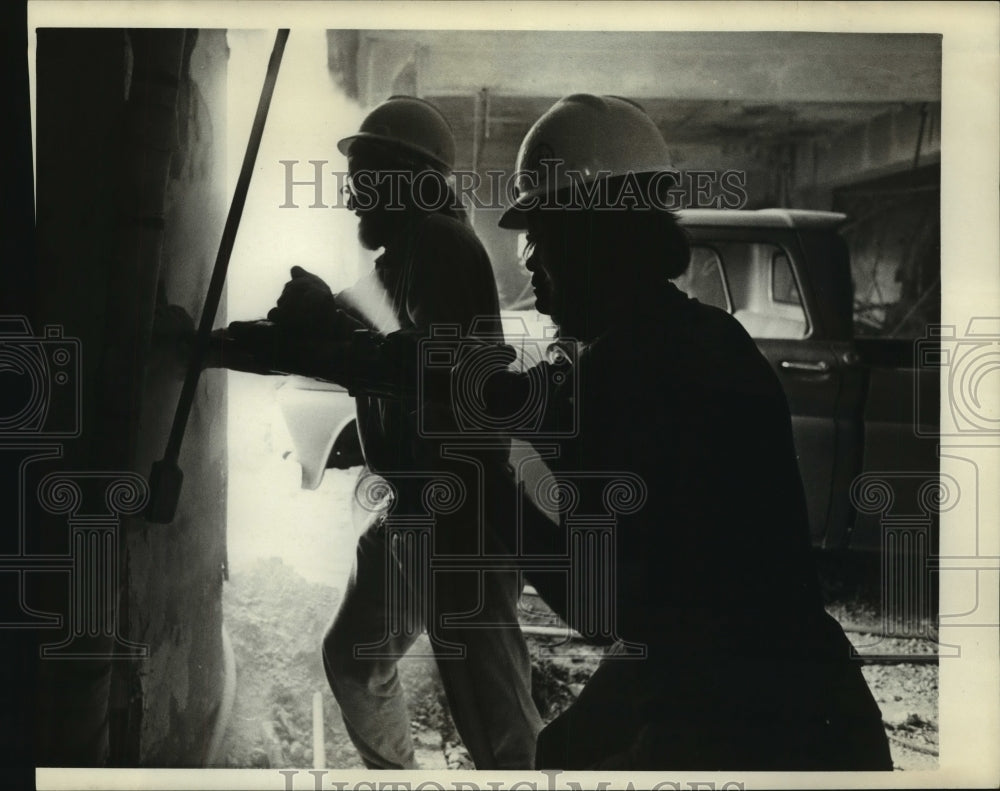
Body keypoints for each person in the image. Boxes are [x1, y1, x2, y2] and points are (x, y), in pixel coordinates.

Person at [479, 93, 894, 770]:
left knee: (572, 758)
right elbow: (550, 404)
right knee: (562, 749)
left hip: (755, 719)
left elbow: (598, 605)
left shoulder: (630, 368)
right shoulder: (695, 333)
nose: (527, 260)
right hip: (780, 675)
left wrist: (486, 480)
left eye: (542, 234)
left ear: (594, 240)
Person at [213, 96, 541, 769]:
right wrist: (271, 326)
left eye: (363, 178)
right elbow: (349, 333)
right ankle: (394, 775)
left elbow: (423, 361)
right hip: (419, 506)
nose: (350, 196)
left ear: (406, 177)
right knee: (357, 656)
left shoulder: (440, 245)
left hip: (463, 510)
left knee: (493, 715)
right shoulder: (404, 257)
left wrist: (318, 329)